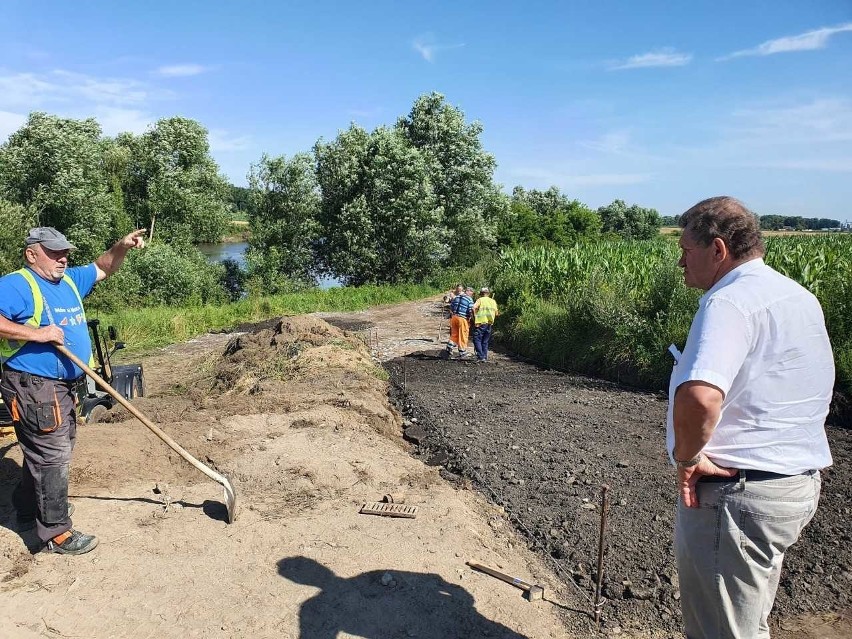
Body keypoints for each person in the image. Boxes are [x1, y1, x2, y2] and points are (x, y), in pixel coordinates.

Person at [667, 197, 833, 638]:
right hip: (792, 485)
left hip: (736, 495)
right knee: (746, 621)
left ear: (718, 250)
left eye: (686, 250)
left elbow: (700, 398)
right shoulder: (798, 296)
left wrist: (687, 460)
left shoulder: (728, 302)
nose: (680, 261)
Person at [0, 226, 146, 555]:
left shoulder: (67, 280)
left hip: (63, 385)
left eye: (64, 252)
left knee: (50, 449)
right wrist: (36, 334)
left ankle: (26, 509)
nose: (62, 258)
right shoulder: (15, 285)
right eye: (54, 253)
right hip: (33, 385)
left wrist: (120, 246)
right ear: (31, 254)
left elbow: (104, 266)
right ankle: (56, 534)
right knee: (52, 456)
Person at [444, 285, 474, 359]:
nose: (472, 294)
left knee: (455, 334)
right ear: (469, 292)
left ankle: (449, 346)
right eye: (472, 293)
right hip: (462, 319)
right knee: (463, 335)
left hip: (454, 318)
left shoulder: (457, 297)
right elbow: (471, 310)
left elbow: (451, 307)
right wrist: (473, 319)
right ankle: (462, 352)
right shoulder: (469, 299)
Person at [472, 287, 499, 362]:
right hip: (489, 323)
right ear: (488, 294)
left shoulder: (480, 300)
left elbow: (473, 308)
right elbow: (497, 313)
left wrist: (474, 317)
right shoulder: (493, 301)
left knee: (476, 339)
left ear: (481, 294)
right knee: (485, 341)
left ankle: (481, 356)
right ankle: (484, 357)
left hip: (480, 322)